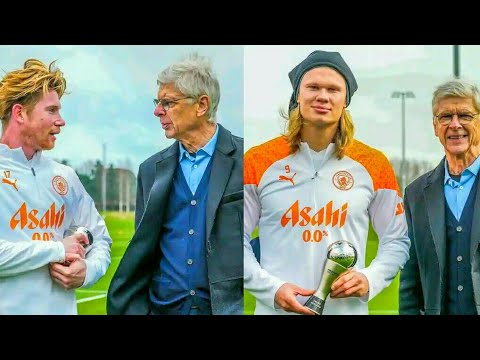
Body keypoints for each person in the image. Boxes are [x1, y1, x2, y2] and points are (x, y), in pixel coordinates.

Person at [244, 50, 410, 315]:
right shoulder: (256, 161)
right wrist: (271, 289)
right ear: (298, 95)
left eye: (333, 89)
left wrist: (371, 278)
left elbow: (397, 240)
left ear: (345, 100)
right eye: (313, 87)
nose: (323, 96)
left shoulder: (373, 163)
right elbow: (232, 239)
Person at [107, 53, 243, 315]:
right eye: (158, 102)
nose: (157, 111)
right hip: (162, 308)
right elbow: (143, 248)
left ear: (201, 105)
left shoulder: (246, 160)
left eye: (167, 102)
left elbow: (271, 233)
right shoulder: (150, 170)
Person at [0, 59, 112, 314]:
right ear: (19, 113)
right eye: (51, 110)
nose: (61, 121)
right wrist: (57, 249)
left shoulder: (65, 177)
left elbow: (101, 238)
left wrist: (87, 272)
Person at [400, 79, 480, 315]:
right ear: (435, 126)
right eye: (445, 117)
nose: (455, 125)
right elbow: (410, 279)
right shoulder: (415, 194)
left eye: (465, 115)